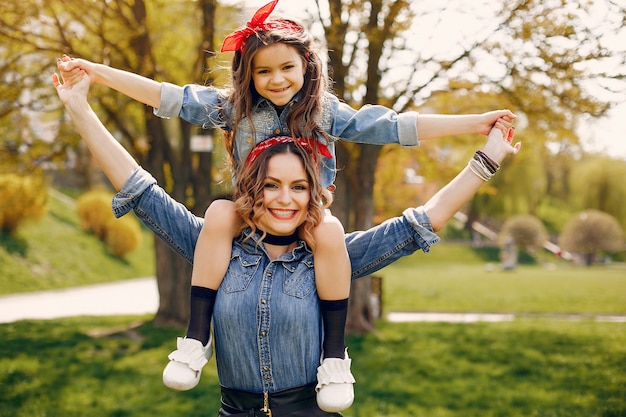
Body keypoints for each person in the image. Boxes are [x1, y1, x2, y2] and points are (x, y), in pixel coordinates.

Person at [56, 0, 516, 409]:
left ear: (307, 67)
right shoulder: (232, 118)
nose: (276, 80)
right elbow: (164, 101)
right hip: (239, 229)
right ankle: (196, 339)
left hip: (319, 234)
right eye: (263, 71)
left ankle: (335, 357)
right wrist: (95, 78)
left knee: (330, 231)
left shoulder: (325, 136)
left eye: (287, 69)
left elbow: (395, 134)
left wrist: (480, 132)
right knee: (219, 212)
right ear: (248, 74)